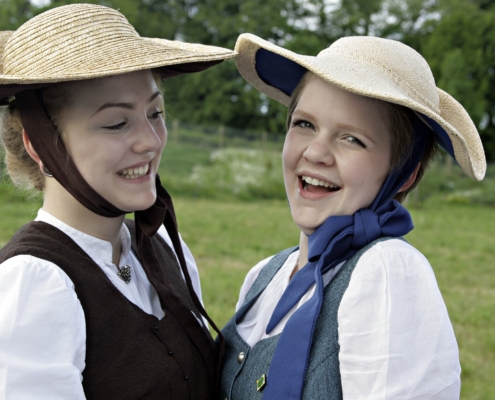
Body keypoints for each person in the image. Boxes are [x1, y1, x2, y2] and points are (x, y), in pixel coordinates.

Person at [219, 34, 486, 399]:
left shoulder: (388, 272)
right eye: (304, 124)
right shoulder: (263, 277)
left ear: (404, 174)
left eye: (352, 139)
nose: (315, 152)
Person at [0, 4, 234, 399]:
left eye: (155, 113)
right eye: (116, 123)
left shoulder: (162, 251)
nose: (151, 141)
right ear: (40, 144)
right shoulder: (35, 286)